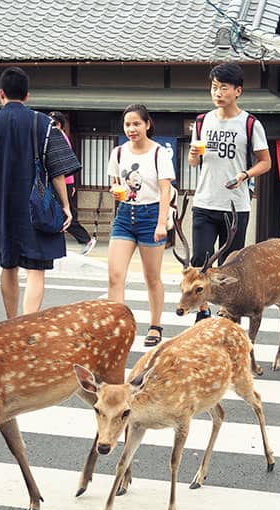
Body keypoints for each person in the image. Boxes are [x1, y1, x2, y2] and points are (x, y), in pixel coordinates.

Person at [0, 67, 79, 318]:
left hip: (1, 209)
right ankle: (27, 324)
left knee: (8, 266)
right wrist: (65, 205)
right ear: (27, 95)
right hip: (37, 207)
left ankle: (11, 323)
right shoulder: (44, 124)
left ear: (1, 94)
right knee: (36, 270)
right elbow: (57, 171)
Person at [187, 62, 272, 320]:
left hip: (235, 205)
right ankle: (202, 311)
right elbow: (194, 162)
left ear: (238, 91)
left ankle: (227, 312)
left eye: (224, 87)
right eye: (214, 87)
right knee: (199, 260)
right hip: (204, 201)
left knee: (231, 266)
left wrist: (245, 174)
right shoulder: (202, 121)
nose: (218, 92)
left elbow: (266, 162)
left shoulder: (250, 124)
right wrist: (192, 156)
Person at [106, 104, 174, 347]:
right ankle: (118, 327)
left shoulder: (159, 153)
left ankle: (155, 326)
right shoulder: (119, 152)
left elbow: (165, 190)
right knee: (115, 275)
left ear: (147, 124)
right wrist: (115, 191)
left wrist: (161, 224)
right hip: (125, 216)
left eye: (136, 124)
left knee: (151, 277)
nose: (131, 129)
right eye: (127, 124)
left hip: (151, 214)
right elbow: (115, 182)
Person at [49, 110, 94, 255]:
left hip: (63, 182)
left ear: (60, 124)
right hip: (65, 181)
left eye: (54, 123)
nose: (52, 126)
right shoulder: (61, 137)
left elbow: (63, 165)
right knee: (63, 212)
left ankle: (86, 239)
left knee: (64, 213)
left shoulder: (59, 137)